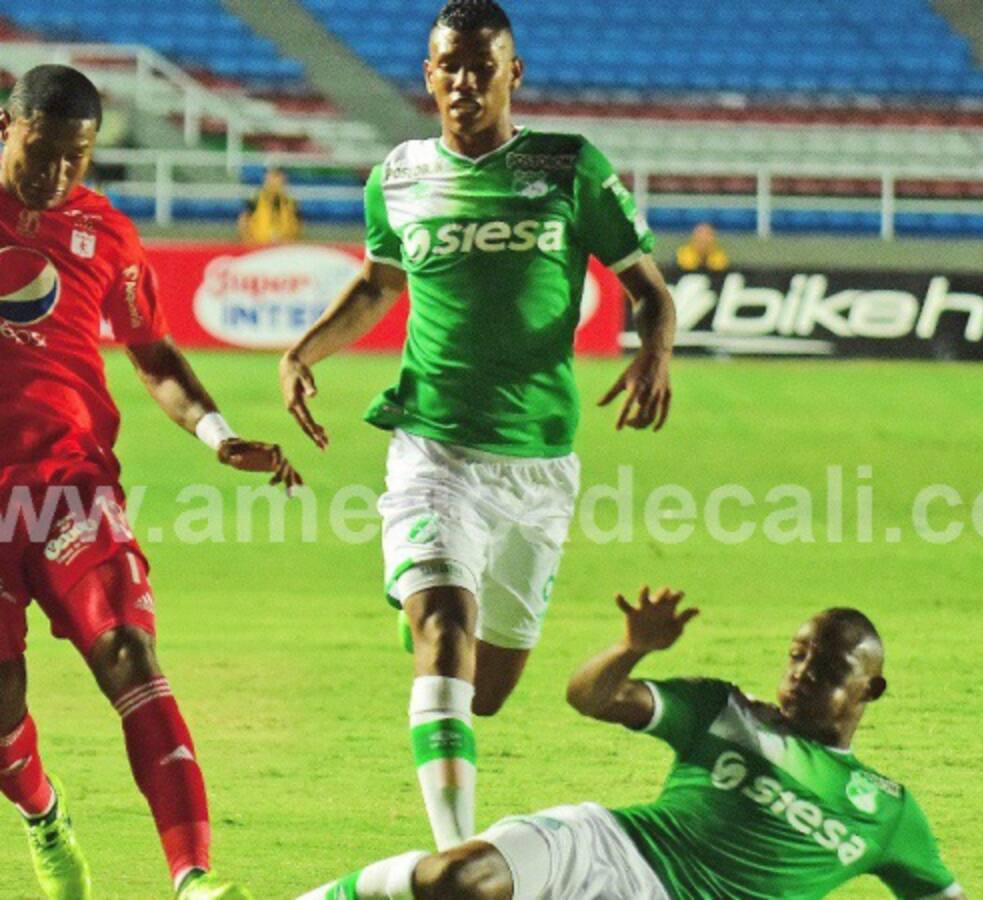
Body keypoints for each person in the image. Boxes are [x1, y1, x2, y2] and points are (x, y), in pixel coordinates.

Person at [278, 0, 676, 853]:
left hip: (537, 459)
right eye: (447, 65)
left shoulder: (568, 167)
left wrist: (655, 352)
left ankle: (421, 602)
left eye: (480, 65)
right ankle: (456, 853)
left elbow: (650, 289)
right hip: (434, 443)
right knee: (445, 629)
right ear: (428, 73)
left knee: (484, 689)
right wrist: (304, 351)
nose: (462, 82)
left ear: (513, 72)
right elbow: (380, 285)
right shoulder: (398, 175)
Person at [1, 64, 303, 899]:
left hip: (70, 485)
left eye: (78, 157)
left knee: (129, 652)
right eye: (42, 150)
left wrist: (218, 433)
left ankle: (193, 876)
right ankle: (44, 816)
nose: (57, 174)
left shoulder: (108, 234)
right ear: (5, 126)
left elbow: (153, 352)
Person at [300, 587, 967, 900]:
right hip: (605, 847)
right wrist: (630, 649)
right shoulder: (726, 710)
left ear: (870, 691)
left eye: (825, 669)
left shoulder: (888, 811)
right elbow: (590, 697)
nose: (800, 675)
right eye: (796, 656)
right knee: (459, 878)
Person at [237, 167, 302, 245]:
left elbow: (297, 226)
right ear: (266, 177)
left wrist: (289, 242)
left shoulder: (291, 202)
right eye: (272, 176)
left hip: (282, 249)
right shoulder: (255, 199)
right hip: (258, 246)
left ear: (284, 178)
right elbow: (243, 222)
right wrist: (249, 242)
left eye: (278, 176)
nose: (275, 180)